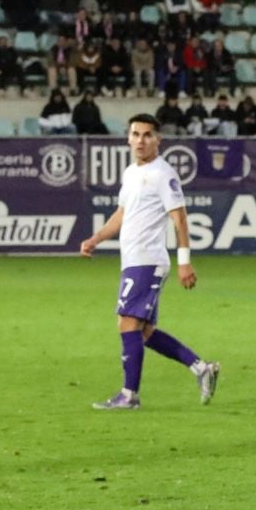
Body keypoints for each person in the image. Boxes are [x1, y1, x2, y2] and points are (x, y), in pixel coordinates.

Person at [78, 117, 221, 410]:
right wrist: (96, 238)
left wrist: (184, 262)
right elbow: (122, 213)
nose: (141, 140)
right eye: (136, 134)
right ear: (128, 138)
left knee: (127, 323)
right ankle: (201, 368)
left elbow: (180, 219)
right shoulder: (131, 172)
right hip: (133, 260)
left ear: (158, 140)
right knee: (142, 332)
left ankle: (129, 395)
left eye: (147, 135)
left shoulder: (163, 174)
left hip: (147, 259)